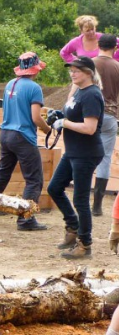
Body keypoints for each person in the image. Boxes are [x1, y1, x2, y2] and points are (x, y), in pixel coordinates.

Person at [0, 53, 51, 230]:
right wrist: (47, 129)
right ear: (35, 69)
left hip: (5, 133)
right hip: (23, 136)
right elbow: (36, 117)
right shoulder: (34, 88)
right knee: (34, 179)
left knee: (3, 171)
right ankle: (26, 219)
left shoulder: (10, 84)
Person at [47, 57, 104, 259]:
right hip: (73, 151)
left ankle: (85, 244)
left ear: (88, 72)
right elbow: (72, 114)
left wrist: (65, 123)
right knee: (54, 188)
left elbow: (89, 128)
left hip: (86, 153)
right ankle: (73, 227)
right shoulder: (78, 91)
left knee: (80, 199)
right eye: (71, 70)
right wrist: (57, 115)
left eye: (77, 70)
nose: (72, 73)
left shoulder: (92, 95)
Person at [91, 34, 119, 216]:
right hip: (110, 115)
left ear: (98, 44)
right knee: (105, 157)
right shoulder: (117, 66)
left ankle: (80, 195)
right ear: (115, 48)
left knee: (83, 154)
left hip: (90, 114)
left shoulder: (89, 63)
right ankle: (97, 205)